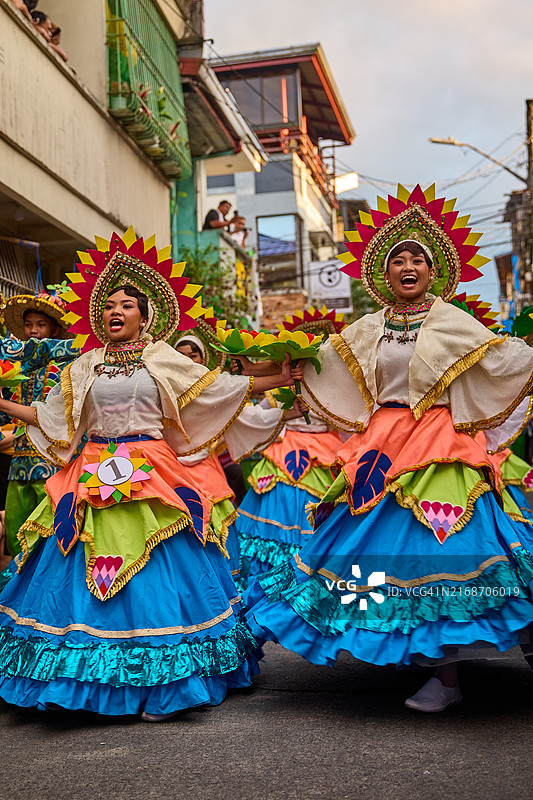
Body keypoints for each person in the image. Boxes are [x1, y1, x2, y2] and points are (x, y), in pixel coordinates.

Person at [246, 184, 533, 713]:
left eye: (416, 259)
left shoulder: (451, 321)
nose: (407, 265)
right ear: (382, 273)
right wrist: (279, 371)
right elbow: (322, 365)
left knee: (443, 549)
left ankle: (451, 673)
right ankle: (428, 665)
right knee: (384, 553)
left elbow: (501, 360)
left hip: (440, 441)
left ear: (433, 272)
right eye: (397, 258)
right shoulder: (367, 329)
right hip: (381, 444)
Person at [0, 227, 294, 720]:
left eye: (126, 305)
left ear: (145, 315)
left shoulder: (164, 359)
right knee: (73, 565)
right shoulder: (85, 364)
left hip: (152, 470)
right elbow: (52, 417)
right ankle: (77, 678)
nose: (115, 311)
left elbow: (219, 389)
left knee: (161, 568)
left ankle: (167, 680)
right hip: (91, 471)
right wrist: (4, 402)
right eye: (109, 304)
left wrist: (279, 378)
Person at [0, 291, 79, 556]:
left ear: (55, 329)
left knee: (48, 530)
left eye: (40, 325)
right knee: (15, 526)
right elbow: (5, 415)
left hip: (53, 460)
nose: (33, 330)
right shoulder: (15, 369)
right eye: (28, 325)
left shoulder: (67, 366)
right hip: (19, 461)